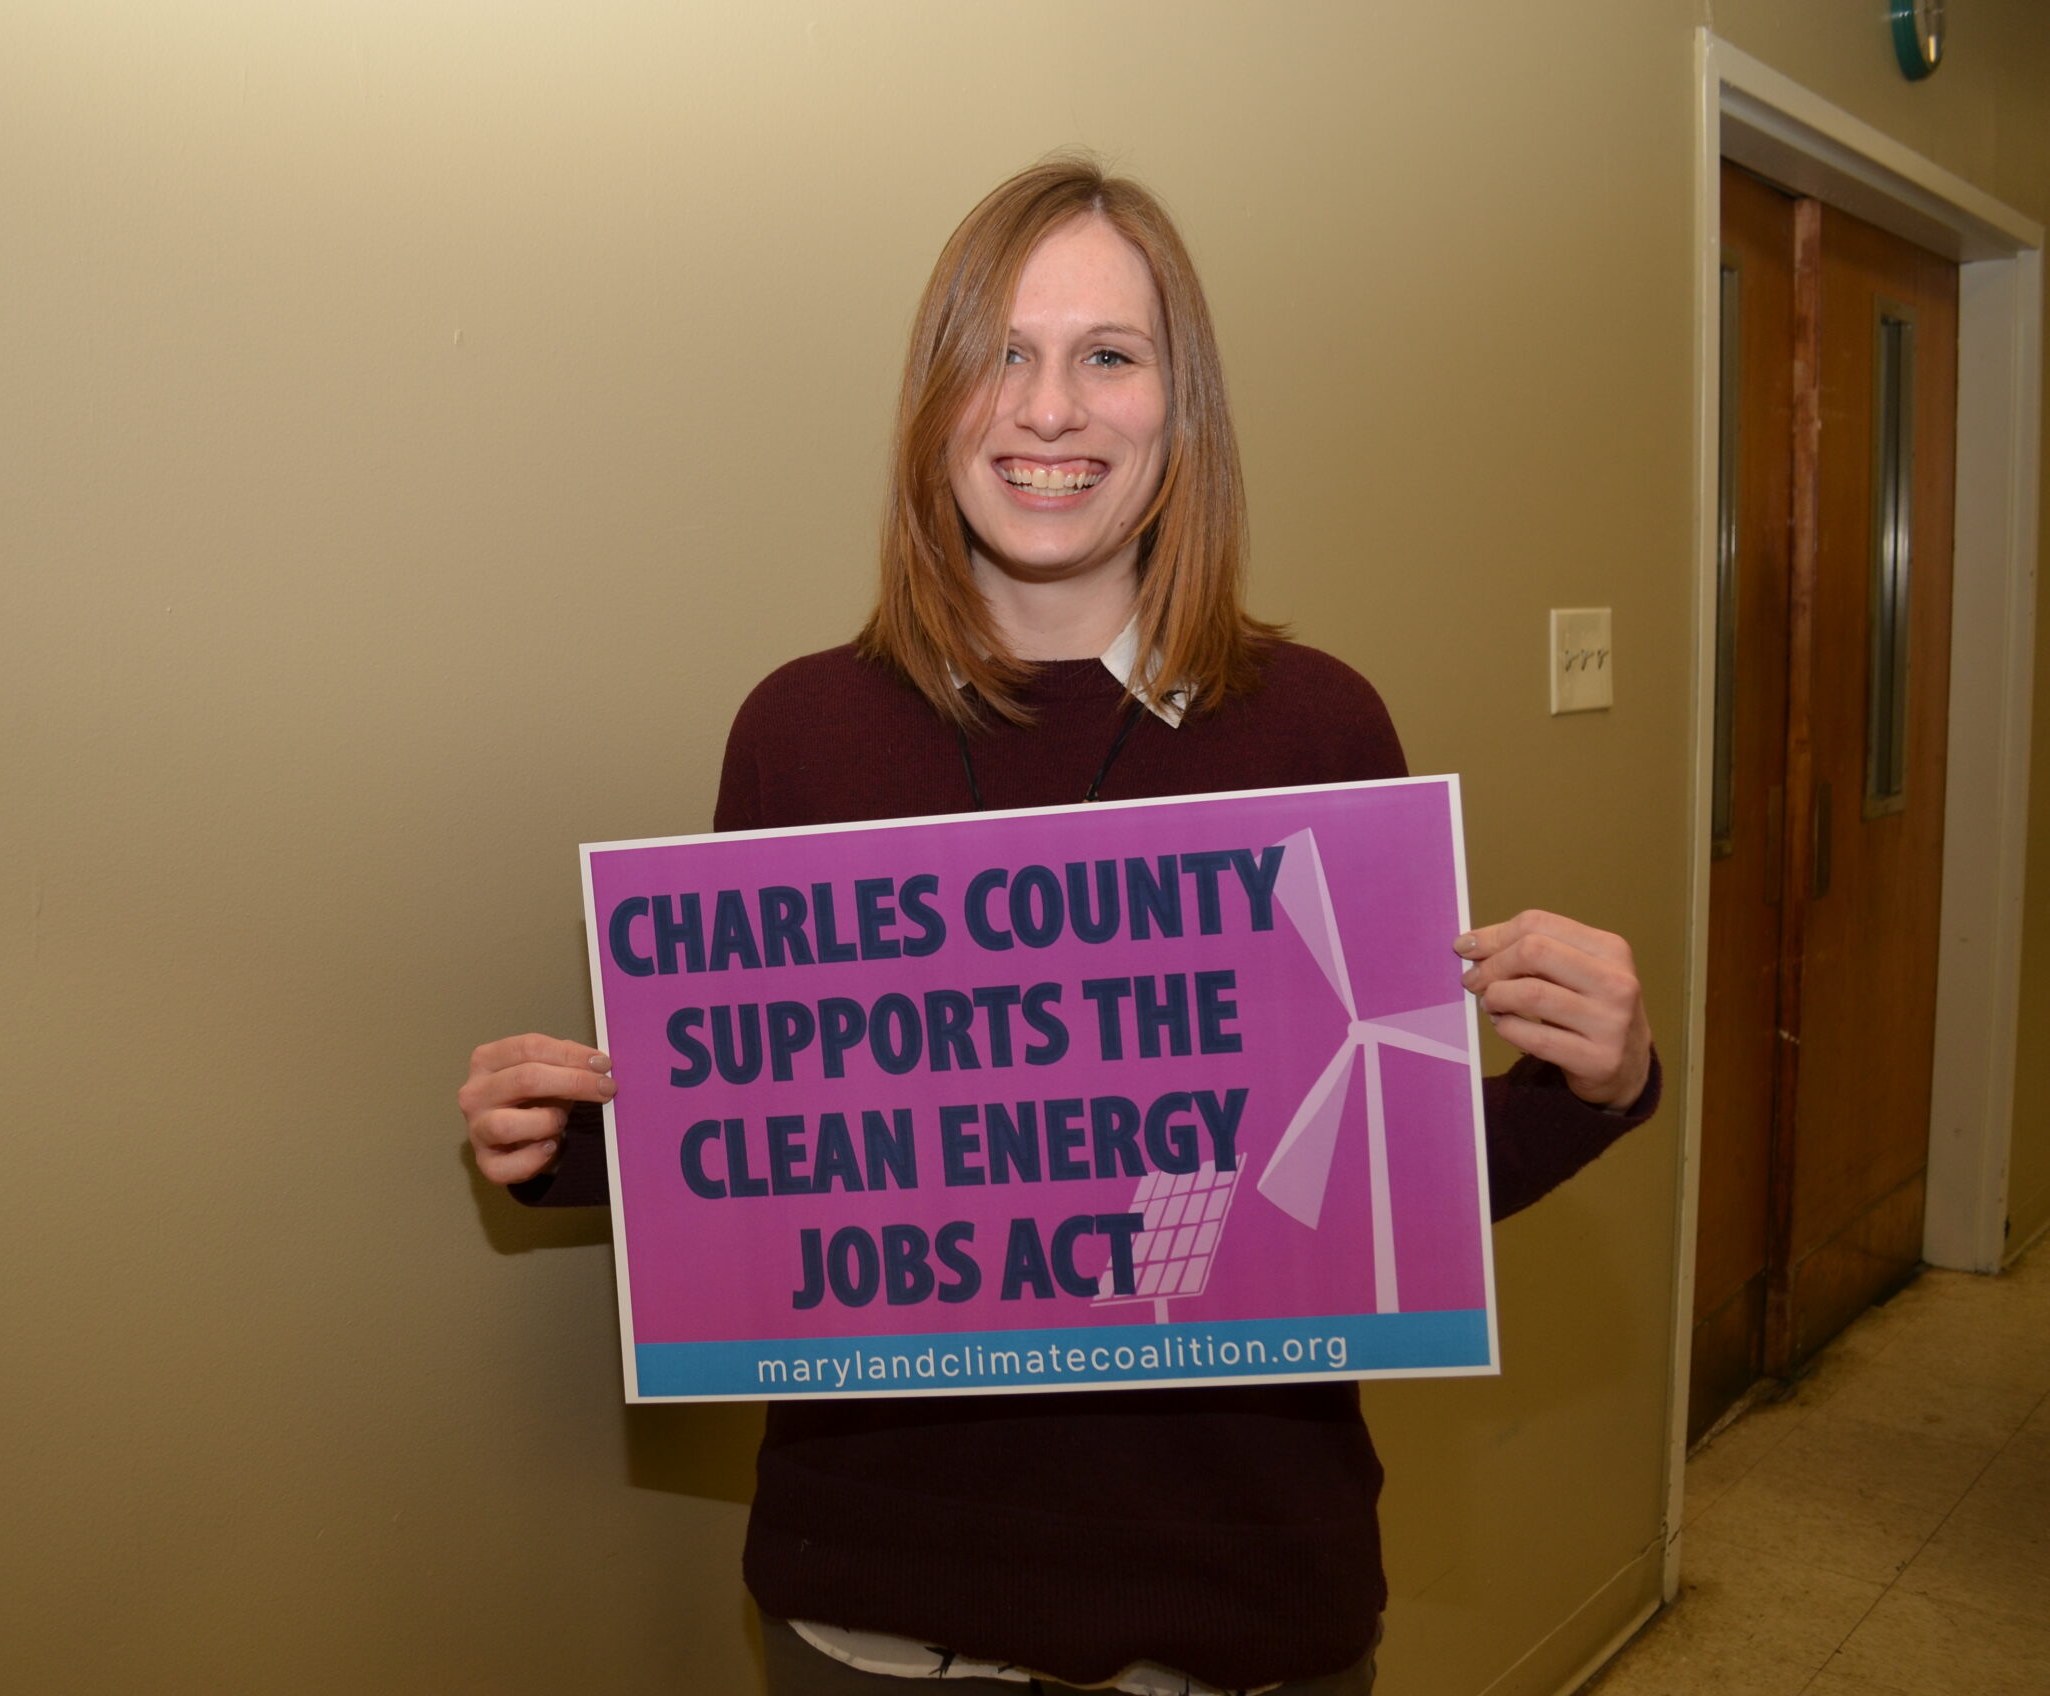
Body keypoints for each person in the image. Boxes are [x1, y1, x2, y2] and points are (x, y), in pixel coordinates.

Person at [459, 158, 1658, 1696]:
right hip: (875, 1598)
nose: (1048, 410)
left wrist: (1599, 1082)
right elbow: (789, 1152)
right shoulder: (800, 735)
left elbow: (1370, 1186)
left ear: (1182, 404)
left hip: (1239, 1596)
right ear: (934, 404)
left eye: (1108, 355)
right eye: (1003, 355)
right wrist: (562, 1138)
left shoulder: (1315, 730)